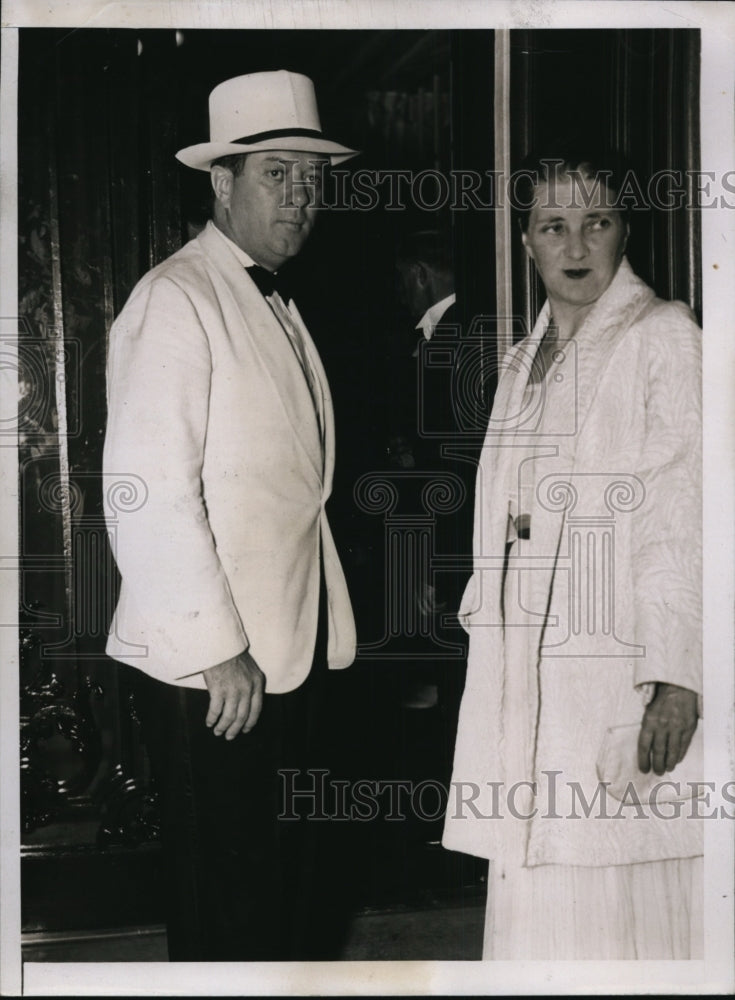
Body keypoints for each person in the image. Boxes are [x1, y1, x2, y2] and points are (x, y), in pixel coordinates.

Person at [102, 70, 358, 961]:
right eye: (277, 174)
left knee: (280, 887)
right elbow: (144, 490)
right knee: (230, 901)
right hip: (215, 668)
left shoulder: (273, 297)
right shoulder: (176, 297)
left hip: (284, 646)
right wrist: (217, 650)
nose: (300, 198)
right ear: (222, 182)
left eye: (312, 178)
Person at [442, 147, 703, 959]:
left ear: (625, 229)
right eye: (553, 225)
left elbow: (684, 516)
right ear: (526, 241)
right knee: (538, 889)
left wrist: (677, 676)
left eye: (596, 221)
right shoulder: (523, 359)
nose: (576, 245)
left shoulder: (664, 335)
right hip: (526, 674)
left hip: (616, 669)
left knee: (615, 898)